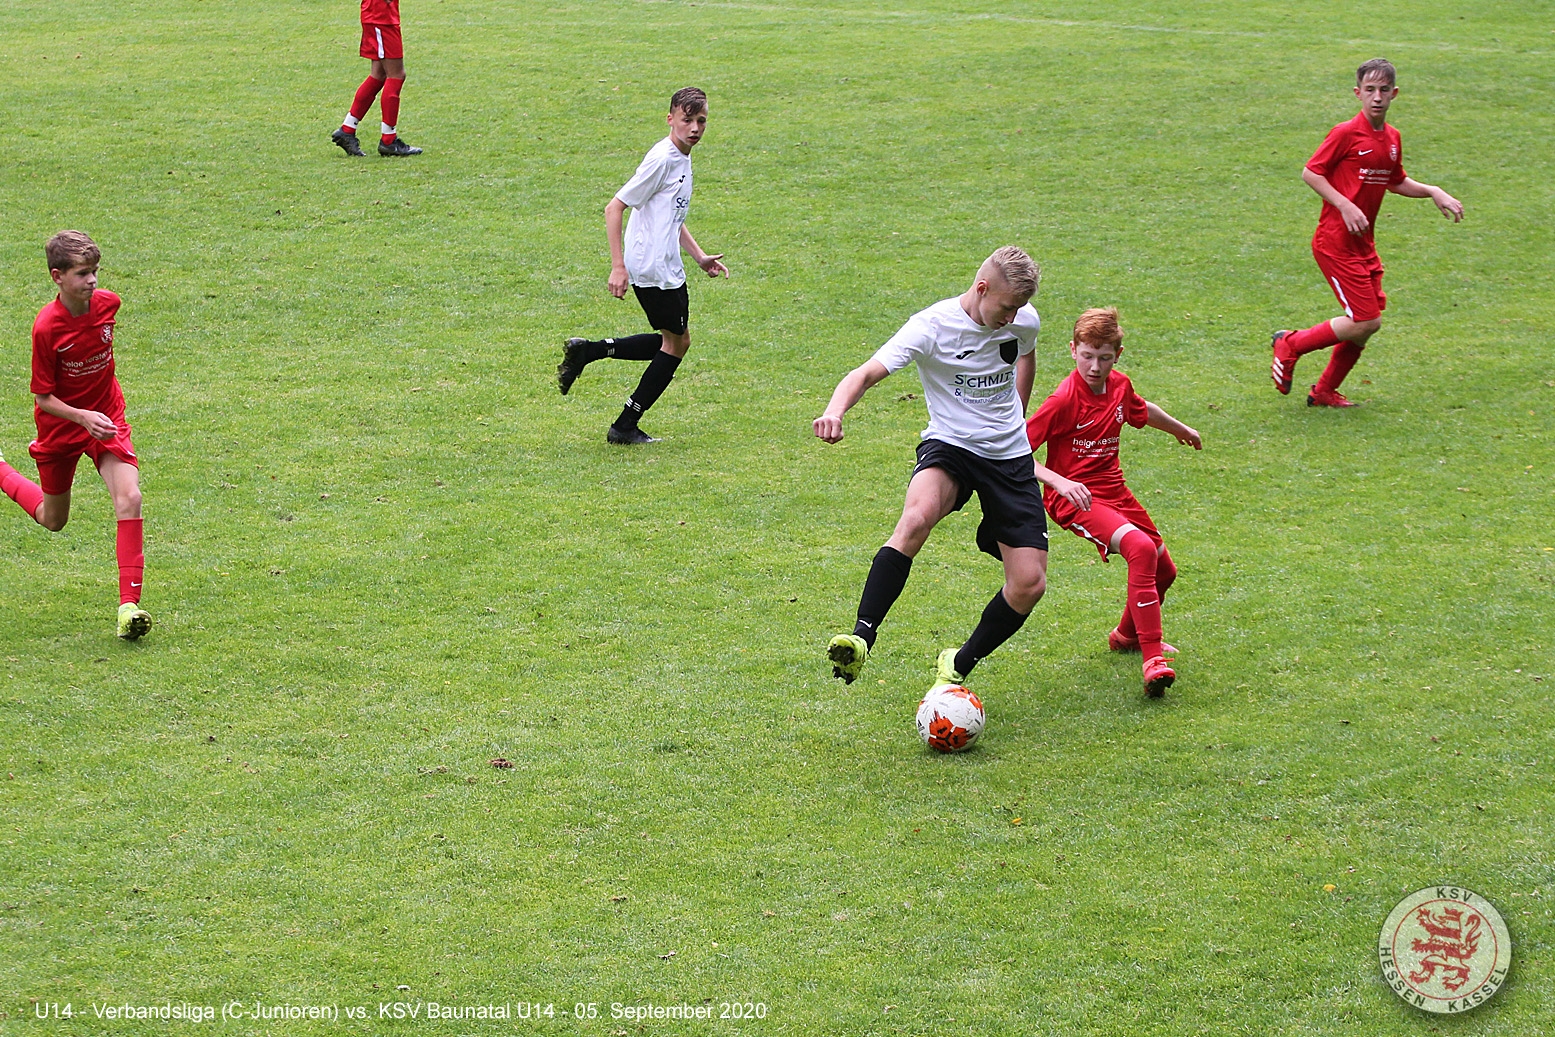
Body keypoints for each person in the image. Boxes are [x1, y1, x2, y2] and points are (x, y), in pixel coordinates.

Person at [815, 247, 1047, 693]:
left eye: (1019, 309)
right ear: (982, 288)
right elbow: (865, 374)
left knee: (1029, 584)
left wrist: (1017, 414)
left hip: (1009, 457)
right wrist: (834, 412)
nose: (1012, 317)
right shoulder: (931, 327)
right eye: (1006, 307)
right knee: (916, 518)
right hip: (951, 446)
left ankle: (958, 662)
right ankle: (861, 638)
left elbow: (1026, 355)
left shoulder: (1023, 319)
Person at [1025, 308, 1200, 697]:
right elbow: (1015, 452)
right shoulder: (1063, 400)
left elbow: (1140, 409)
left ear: (1117, 355)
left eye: (1104, 358)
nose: (1094, 367)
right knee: (1141, 549)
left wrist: (1180, 429)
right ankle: (1153, 659)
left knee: (1164, 571)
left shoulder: (1119, 386)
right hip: (1074, 499)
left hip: (1115, 492)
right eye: (1087, 356)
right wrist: (1059, 482)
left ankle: (1125, 637)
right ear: (1073, 350)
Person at [1271, 58, 1462, 407]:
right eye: (1370, 90)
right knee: (1366, 321)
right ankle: (1291, 343)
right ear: (1357, 93)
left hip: (1363, 244)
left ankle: (1324, 391)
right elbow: (1311, 173)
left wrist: (1433, 191)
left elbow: (1396, 181)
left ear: (1394, 93)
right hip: (1335, 242)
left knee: (1366, 323)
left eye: (1384, 90)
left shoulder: (1392, 138)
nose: (1377, 97)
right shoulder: (1345, 133)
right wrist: (1344, 204)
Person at [555, 87, 729, 444]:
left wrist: (699, 256)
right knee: (676, 344)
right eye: (687, 120)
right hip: (654, 266)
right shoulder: (663, 159)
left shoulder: (681, 157)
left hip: (662, 263)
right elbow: (614, 207)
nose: (695, 128)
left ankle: (590, 351)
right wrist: (617, 266)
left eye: (701, 121)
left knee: (674, 341)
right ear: (670, 119)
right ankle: (624, 425)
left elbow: (672, 216)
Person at [0, 231, 151, 640]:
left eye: (95, 271)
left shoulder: (109, 305)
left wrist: (97, 415)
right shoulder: (46, 328)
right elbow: (43, 397)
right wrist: (82, 417)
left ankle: (128, 608)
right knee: (53, 520)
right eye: (83, 273)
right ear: (57, 277)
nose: (93, 280)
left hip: (106, 419)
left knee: (130, 497)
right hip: (62, 428)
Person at [330, 0, 423, 157]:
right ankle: (388, 140)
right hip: (381, 17)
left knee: (379, 74)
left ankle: (347, 129)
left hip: (378, 16)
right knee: (396, 75)